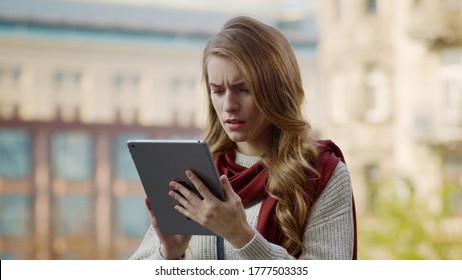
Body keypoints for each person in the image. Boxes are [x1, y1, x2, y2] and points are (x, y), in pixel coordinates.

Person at [130, 16, 357, 260]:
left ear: (277, 90)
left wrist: (242, 237)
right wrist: (170, 255)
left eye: (244, 89)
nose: (229, 105)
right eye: (217, 91)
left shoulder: (320, 173)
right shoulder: (195, 171)